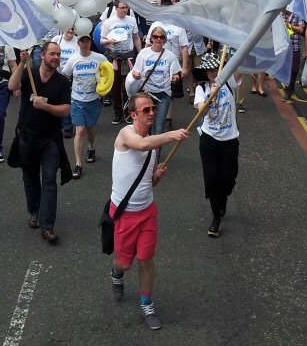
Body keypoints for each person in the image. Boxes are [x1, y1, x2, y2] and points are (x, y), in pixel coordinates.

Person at [108, 93, 189, 331]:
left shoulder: (153, 147)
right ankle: (116, 272)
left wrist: (157, 178)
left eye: (153, 108)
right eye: (146, 110)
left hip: (147, 211)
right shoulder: (126, 134)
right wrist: (172, 134)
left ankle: (146, 303)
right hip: (125, 213)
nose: (152, 112)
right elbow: (142, 144)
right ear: (133, 115)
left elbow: (147, 183)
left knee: (146, 259)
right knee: (125, 263)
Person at [8, 41, 72, 244]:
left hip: (50, 139)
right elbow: (12, 86)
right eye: (52, 54)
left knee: (50, 180)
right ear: (42, 56)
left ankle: (47, 225)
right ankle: (34, 210)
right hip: (27, 136)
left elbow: (65, 110)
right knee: (30, 177)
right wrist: (21, 63)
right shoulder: (29, 73)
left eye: (59, 54)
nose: (56, 57)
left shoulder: (62, 82)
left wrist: (45, 106)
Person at [193, 52, 239, 237]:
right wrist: (211, 94)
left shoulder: (230, 82)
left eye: (216, 68)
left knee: (228, 176)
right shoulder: (201, 89)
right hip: (209, 139)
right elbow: (202, 112)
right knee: (212, 178)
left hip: (230, 139)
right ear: (205, 72)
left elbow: (242, 66)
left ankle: (224, 195)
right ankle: (215, 217)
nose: (213, 72)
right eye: (209, 69)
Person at [61, 34, 107, 178]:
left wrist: (104, 87)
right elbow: (65, 76)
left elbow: (108, 74)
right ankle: (78, 164)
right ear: (78, 43)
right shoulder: (73, 59)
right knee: (80, 131)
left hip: (93, 99)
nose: (85, 43)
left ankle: (91, 147)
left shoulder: (100, 58)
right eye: (82, 41)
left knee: (90, 129)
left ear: (90, 42)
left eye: (87, 41)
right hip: (77, 99)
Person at [126, 27, 182, 137]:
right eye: (156, 36)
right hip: (147, 94)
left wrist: (175, 78)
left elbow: (176, 73)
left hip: (163, 94)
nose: (158, 39)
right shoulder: (143, 53)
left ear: (165, 40)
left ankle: (155, 154)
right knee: (145, 126)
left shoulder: (170, 55)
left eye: (161, 37)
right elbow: (135, 71)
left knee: (159, 128)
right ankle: (145, 151)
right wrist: (135, 75)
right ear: (151, 38)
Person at [101, 1, 143, 125]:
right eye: (122, 8)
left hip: (128, 57)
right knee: (115, 88)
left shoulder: (131, 20)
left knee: (128, 87)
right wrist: (109, 41)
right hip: (114, 57)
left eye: (126, 8)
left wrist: (140, 53)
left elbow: (136, 37)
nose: (125, 10)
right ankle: (117, 113)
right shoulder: (109, 22)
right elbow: (101, 40)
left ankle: (128, 112)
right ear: (116, 8)